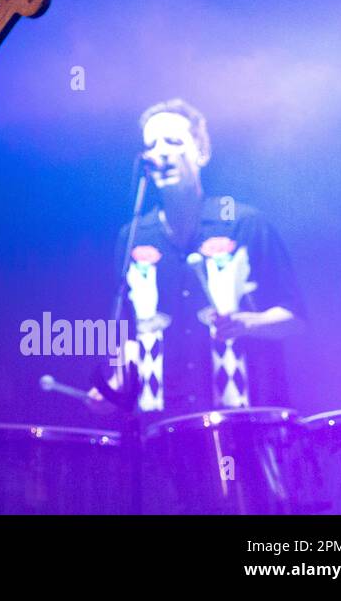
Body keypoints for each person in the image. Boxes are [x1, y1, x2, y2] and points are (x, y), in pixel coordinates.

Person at [87, 99, 305, 419]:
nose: (161, 152)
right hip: (160, 423)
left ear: (202, 153)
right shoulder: (133, 236)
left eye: (173, 142)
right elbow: (131, 333)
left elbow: (295, 318)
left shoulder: (244, 224)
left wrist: (248, 322)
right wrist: (115, 384)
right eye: (151, 145)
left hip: (243, 418)